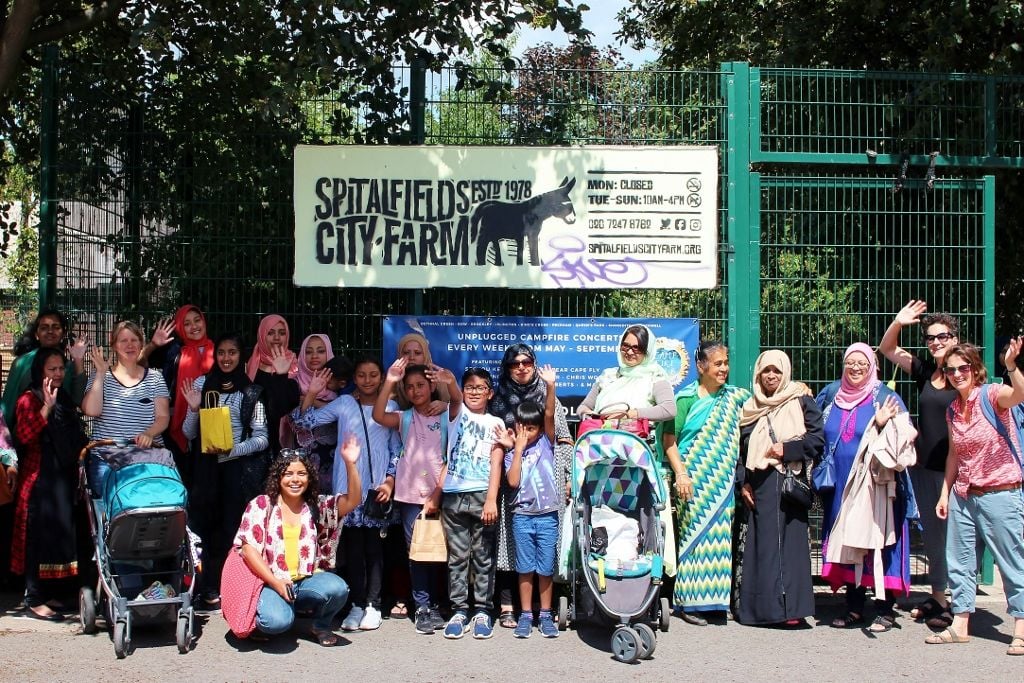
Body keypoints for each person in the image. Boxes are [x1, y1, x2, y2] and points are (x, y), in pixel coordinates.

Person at [927, 341, 1024, 654]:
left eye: (963, 368)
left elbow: (1019, 394)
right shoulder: (953, 409)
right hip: (964, 495)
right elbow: (954, 454)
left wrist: (1010, 366)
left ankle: (1021, 627)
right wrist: (945, 493)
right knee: (960, 562)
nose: (957, 374)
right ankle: (960, 624)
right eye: (950, 369)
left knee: (1012, 562)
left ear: (975, 369)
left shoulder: (992, 395)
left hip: (1000, 492)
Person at [292, 356, 401, 632]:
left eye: (373, 375)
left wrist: (390, 481)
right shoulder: (343, 404)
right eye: (362, 375)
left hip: (377, 491)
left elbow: (397, 449)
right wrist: (313, 393)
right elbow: (304, 422)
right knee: (352, 550)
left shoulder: (391, 406)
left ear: (381, 377)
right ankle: (355, 604)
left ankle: (374, 605)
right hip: (347, 489)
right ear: (355, 378)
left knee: (375, 551)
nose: (367, 380)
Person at [816, 342, 918, 633]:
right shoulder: (832, 393)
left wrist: (882, 423)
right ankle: (854, 606)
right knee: (850, 540)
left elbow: (905, 436)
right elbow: (812, 421)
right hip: (840, 485)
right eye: (851, 362)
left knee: (877, 540)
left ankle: (884, 609)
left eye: (862, 362)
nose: (856, 368)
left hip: (877, 484)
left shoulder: (885, 397)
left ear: (873, 365)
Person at [232, 434, 362, 646]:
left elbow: (353, 500)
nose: (295, 479)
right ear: (278, 477)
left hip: (303, 582)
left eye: (301, 473)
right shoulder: (262, 505)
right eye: (288, 474)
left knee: (338, 589)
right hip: (269, 582)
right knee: (276, 623)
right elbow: (248, 550)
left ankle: (318, 626)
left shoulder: (316, 506)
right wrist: (276, 583)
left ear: (309, 478)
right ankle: (265, 614)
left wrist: (350, 463)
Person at [878, 300, 960, 627]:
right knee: (935, 537)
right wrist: (898, 322)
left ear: (955, 338)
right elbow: (886, 348)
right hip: (924, 468)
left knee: (959, 536)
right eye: (930, 337)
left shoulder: (964, 373)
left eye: (943, 336)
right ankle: (940, 598)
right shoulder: (927, 371)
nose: (936, 342)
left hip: (956, 470)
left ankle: (960, 601)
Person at [662, 340, 750, 625]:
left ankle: (714, 601)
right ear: (701, 367)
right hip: (693, 479)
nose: (724, 368)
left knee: (719, 539)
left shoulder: (736, 397)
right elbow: (669, 441)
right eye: (718, 363)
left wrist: (797, 389)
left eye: (726, 363)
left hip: (722, 482)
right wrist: (682, 474)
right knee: (693, 537)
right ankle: (688, 602)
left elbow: (767, 402)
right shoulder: (685, 399)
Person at [181, 333, 270, 610]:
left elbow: (262, 437)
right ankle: (204, 588)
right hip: (206, 474)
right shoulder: (201, 385)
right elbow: (187, 432)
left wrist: (233, 450)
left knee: (232, 530)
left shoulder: (252, 392)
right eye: (221, 353)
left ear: (240, 356)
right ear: (215, 356)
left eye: (232, 352)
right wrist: (194, 409)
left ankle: (233, 588)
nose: (226, 358)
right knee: (203, 528)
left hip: (237, 474)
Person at [735, 350, 824, 627]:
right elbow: (739, 449)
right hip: (758, 484)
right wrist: (743, 481)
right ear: (758, 374)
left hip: (787, 480)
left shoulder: (801, 399)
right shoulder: (750, 406)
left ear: (785, 372)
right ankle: (758, 610)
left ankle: (789, 611)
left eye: (776, 370)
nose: (771, 376)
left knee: (790, 547)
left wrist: (787, 449)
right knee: (760, 547)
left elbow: (818, 440)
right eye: (766, 371)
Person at [488, 343, 573, 628]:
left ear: (534, 365)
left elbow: (560, 435)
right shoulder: (496, 400)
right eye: (515, 363)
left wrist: (569, 476)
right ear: (507, 368)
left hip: (545, 486)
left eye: (526, 362)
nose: (521, 367)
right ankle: (509, 606)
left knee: (544, 550)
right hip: (510, 479)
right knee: (509, 547)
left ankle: (543, 608)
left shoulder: (548, 397)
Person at [374, 357, 457, 634]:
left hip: (443, 493)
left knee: (444, 552)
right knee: (419, 552)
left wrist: (449, 392)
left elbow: (462, 407)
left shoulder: (446, 415)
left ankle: (440, 604)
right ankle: (422, 606)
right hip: (410, 496)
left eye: (420, 385)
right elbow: (377, 416)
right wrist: (390, 381)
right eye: (409, 387)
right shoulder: (404, 418)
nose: (415, 391)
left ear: (431, 387)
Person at [10, 348, 87, 620]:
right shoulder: (28, 400)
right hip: (38, 482)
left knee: (57, 538)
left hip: (61, 481)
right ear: (40, 372)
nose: (57, 374)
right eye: (51, 369)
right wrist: (47, 408)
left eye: (60, 369)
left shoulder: (63, 396)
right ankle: (33, 598)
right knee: (36, 540)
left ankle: (51, 592)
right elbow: (24, 435)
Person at [439, 368, 505, 640]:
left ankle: (482, 610)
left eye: (481, 387)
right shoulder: (456, 413)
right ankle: (458, 610)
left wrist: (491, 498)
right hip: (454, 496)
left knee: (483, 557)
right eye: (469, 387)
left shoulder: (496, 422)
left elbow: (497, 460)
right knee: (457, 558)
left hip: (482, 496)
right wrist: (452, 382)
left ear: (490, 393)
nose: (474, 392)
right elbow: (454, 397)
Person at [81, 321, 170, 496]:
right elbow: (91, 411)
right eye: (123, 341)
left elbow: (163, 417)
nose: (129, 345)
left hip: (147, 457)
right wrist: (100, 374)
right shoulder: (100, 376)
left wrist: (149, 433)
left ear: (141, 343)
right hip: (106, 458)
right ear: (113, 344)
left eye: (134, 340)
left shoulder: (155, 378)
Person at [505, 365, 561, 639]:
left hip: (547, 515)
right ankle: (526, 614)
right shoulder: (511, 451)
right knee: (525, 568)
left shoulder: (546, 444)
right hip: (522, 516)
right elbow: (513, 482)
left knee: (545, 568)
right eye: (523, 428)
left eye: (533, 428)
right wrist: (516, 449)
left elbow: (549, 413)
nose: (528, 433)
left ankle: (546, 614)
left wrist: (550, 386)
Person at [139, 305, 215, 482]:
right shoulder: (173, 350)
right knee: (179, 475)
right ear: (180, 327)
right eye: (187, 323)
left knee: (205, 477)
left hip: (210, 419)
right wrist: (153, 345)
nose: (194, 326)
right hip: (175, 420)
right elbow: (138, 363)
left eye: (197, 320)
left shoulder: (217, 349)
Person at [2, 309, 88, 427]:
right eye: (44, 327)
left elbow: (78, 400)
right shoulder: (21, 364)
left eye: (56, 327)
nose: (50, 331)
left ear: (63, 333)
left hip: (60, 437)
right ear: (36, 334)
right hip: (28, 435)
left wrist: (78, 361)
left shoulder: (68, 366)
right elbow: (8, 405)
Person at [577, 324, 676, 423]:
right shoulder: (608, 376)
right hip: (601, 435)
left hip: (635, 436)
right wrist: (590, 415)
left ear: (647, 350)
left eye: (636, 348)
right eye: (625, 346)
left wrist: (630, 414)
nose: (629, 352)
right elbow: (584, 406)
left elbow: (669, 409)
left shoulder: (655, 377)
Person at [286, 334, 339, 486]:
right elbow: (297, 425)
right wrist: (312, 393)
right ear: (302, 355)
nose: (314, 356)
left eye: (321, 351)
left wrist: (311, 400)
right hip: (302, 465)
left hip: (334, 463)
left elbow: (344, 412)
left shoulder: (340, 382)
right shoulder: (294, 384)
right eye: (309, 352)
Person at [245, 314, 300, 454]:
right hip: (253, 442)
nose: (277, 338)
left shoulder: (294, 365)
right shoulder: (250, 365)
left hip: (281, 443)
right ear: (262, 335)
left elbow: (284, 407)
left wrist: (282, 374)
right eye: (270, 333)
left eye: (281, 333)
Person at [394, 333, 449, 408]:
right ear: (400, 355)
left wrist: (446, 406)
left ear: (425, 355)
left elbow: (457, 409)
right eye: (406, 353)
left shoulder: (439, 382)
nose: (412, 357)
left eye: (417, 353)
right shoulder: (392, 382)